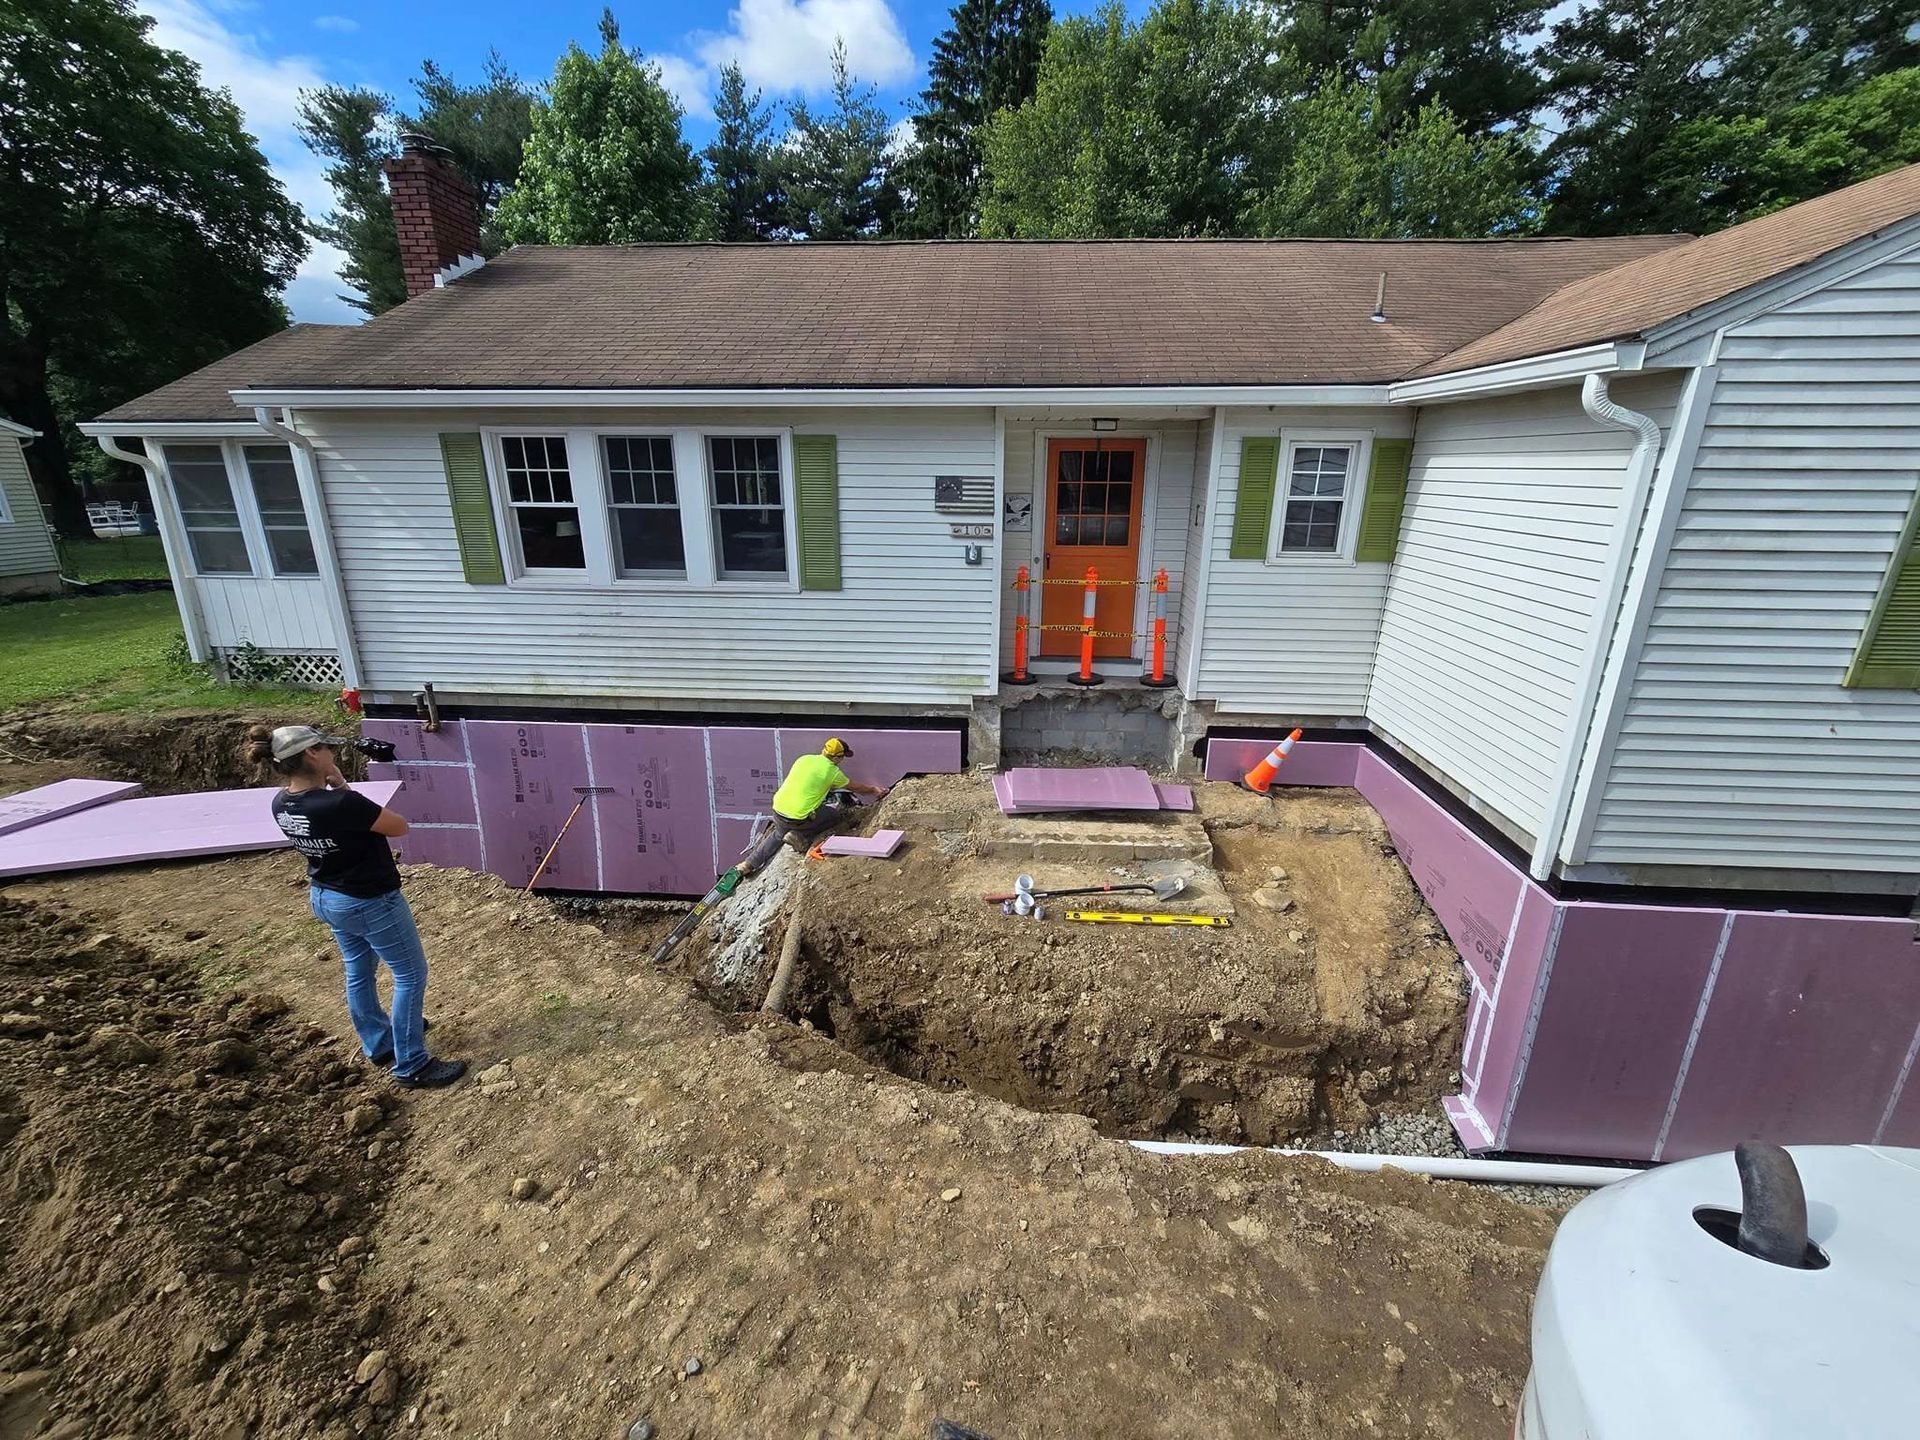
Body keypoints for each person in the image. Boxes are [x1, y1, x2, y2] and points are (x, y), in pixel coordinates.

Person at [245, 724, 466, 1090]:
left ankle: (380, 1044)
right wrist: (343, 787)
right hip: (370, 900)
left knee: (358, 971)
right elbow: (398, 827)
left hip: (327, 896)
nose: (332, 753)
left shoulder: (281, 802)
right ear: (313, 755)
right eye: (325, 748)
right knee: (410, 975)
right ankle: (412, 1063)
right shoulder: (342, 803)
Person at [769, 738, 885, 846]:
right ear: (836, 758)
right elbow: (855, 787)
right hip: (798, 819)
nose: (842, 760)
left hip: (778, 809)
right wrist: (873, 789)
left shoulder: (804, 759)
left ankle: (751, 863)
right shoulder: (832, 772)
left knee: (778, 835)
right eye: (842, 757)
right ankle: (801, 836)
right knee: (833, 815)